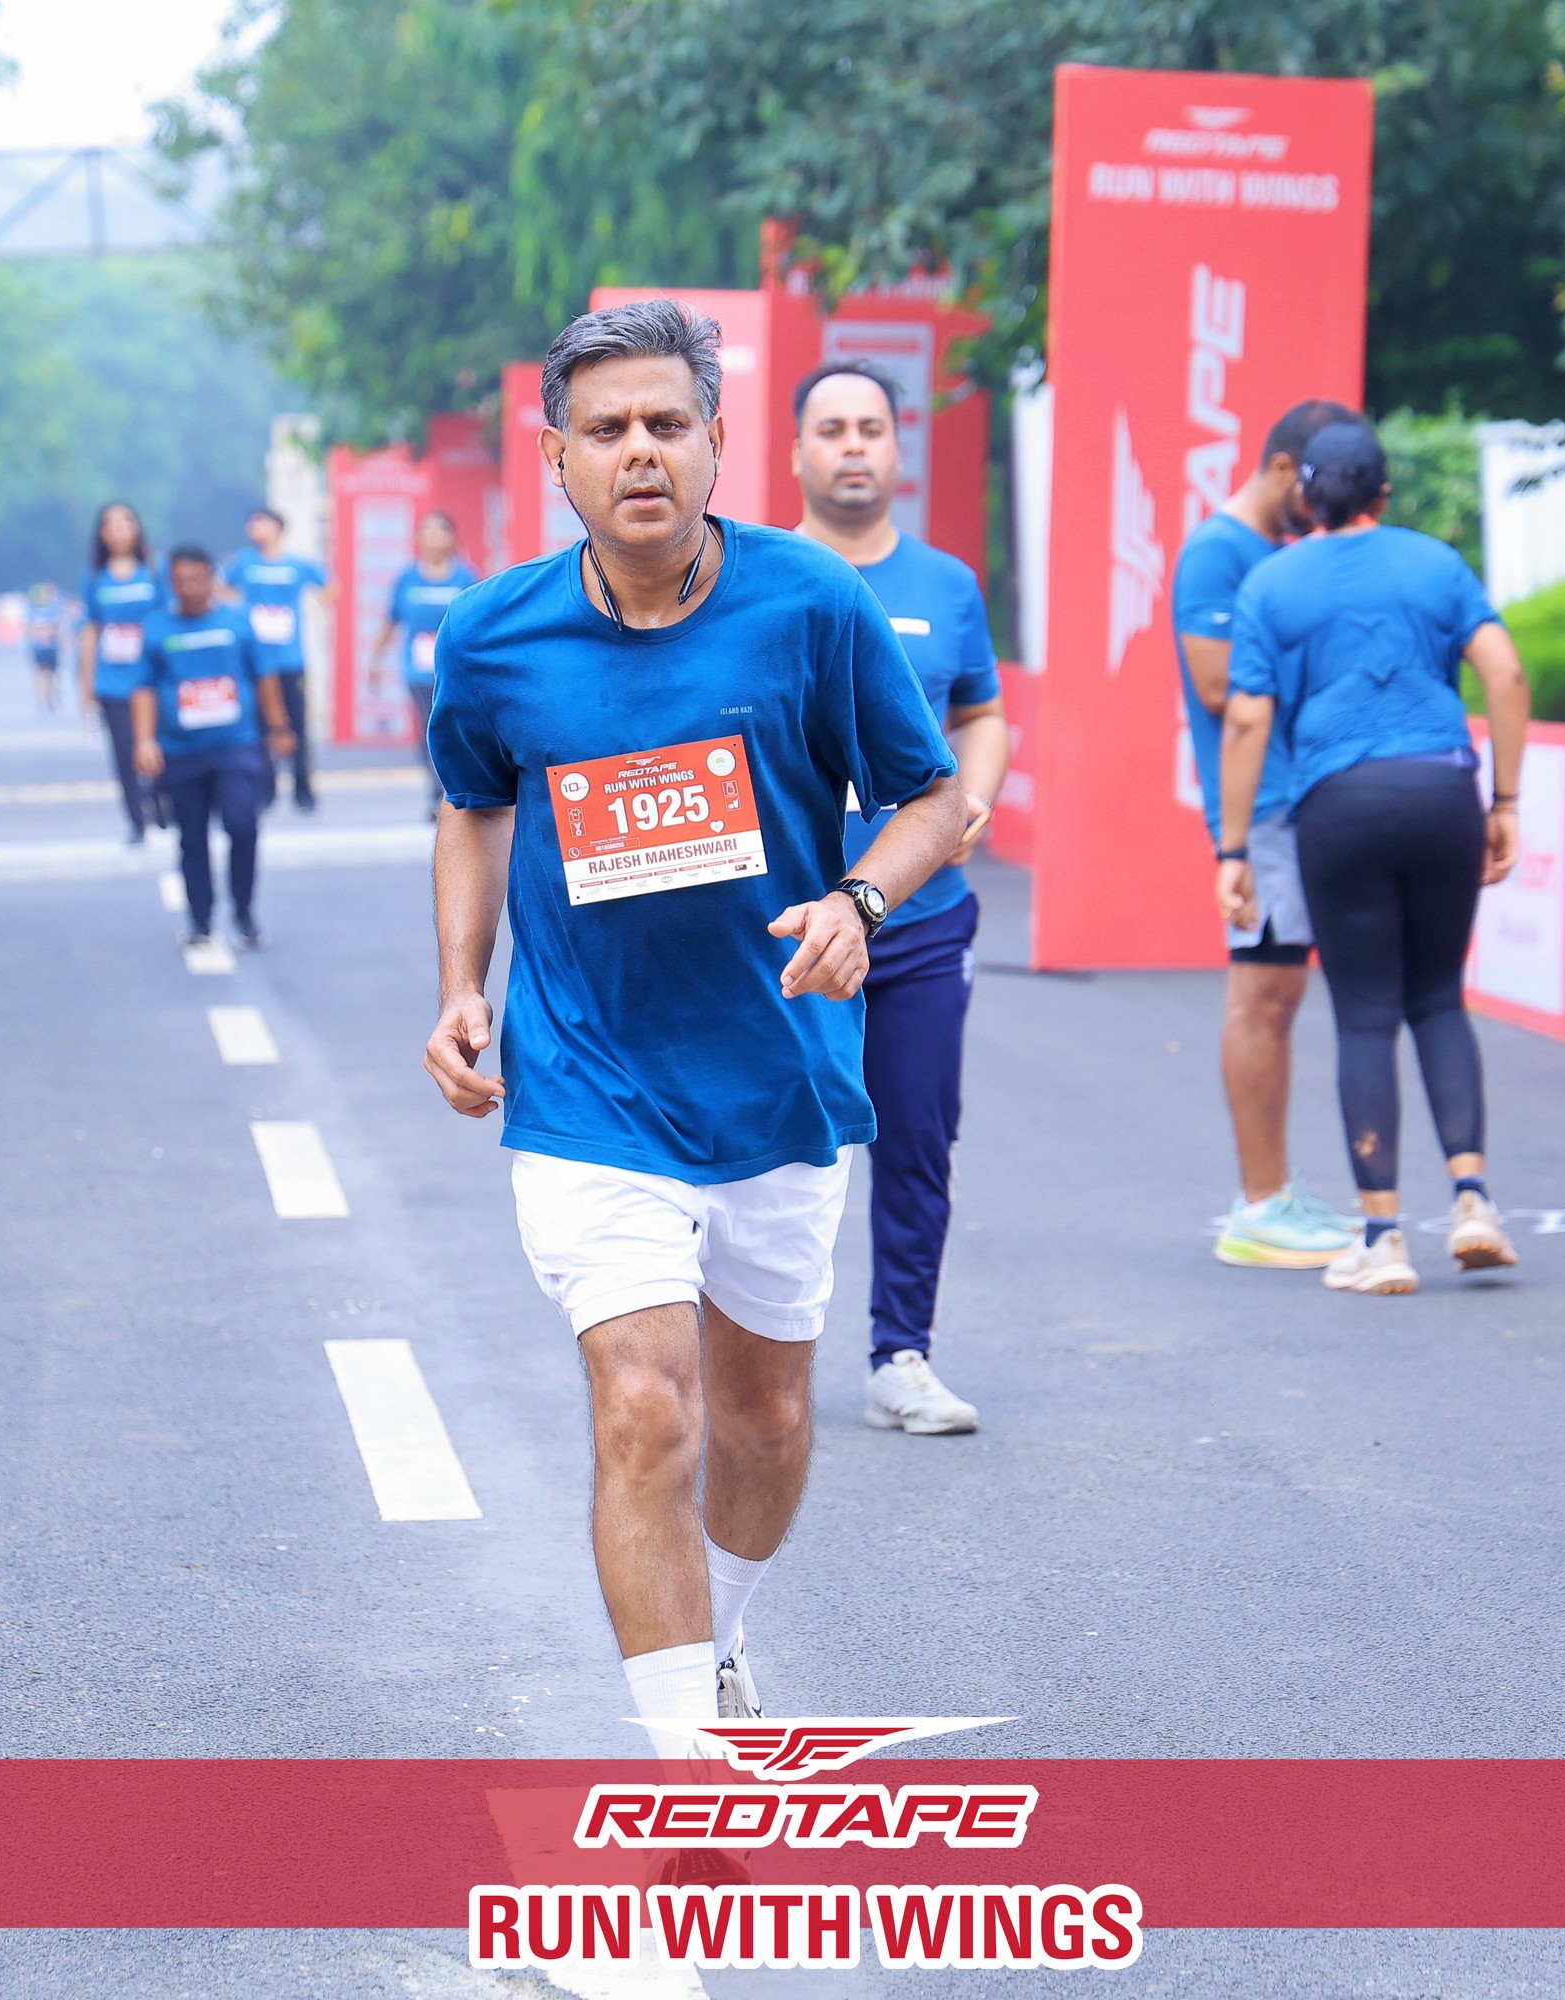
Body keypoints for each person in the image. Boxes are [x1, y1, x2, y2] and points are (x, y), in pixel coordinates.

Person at [423, 300, 966, 1733]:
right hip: (589, 1085)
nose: (641, 451)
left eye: (668, 422)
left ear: (719, 440)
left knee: (764, 1423)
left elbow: (933, 796)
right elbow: (472, 806)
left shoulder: (811, 604)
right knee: (645, 1403)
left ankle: (717, 1635)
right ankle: (685, 1766)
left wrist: (858, 902)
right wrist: (462, 987)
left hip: (777, 1079)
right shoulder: (492, 637)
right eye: (606, 429)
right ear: (558, 457)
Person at [1214, 417, 1530, 1296]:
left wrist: (1233, 848)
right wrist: (1505, 800)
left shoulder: (1272, 582)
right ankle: (1473, 1201)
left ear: (1306, 498)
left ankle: (1385, 1239)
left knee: (1364, 1016)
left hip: (1338, 805)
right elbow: (1505, 674)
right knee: (1439, 998)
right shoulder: (1435, 563)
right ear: (1384, 494)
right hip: (1441, 791)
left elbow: (1246, 720)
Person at [787, 359, 1007, 1437]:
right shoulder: (757, 575)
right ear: (796, 451)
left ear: (897, 448)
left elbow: (980, 713)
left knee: (917, 1139)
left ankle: (900, 1356)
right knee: (772, 1150)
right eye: (832, 429)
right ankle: (748, 1367)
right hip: (784, 927)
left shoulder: (948, 585)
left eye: (870, 428)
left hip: (919, 923)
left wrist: (979, 792)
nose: (853, 447)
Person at [1175, 399, 1364, 1270]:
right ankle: (1259, 1205)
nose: (1326, 506)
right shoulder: (1218, 551)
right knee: (1262, 997)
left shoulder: (1281, 554)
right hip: (1264, 810)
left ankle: (1274, 1190)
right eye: (1316, 486)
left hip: (1300, 801)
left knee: (1281, 998)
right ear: (1284, 469)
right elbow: (1219, 685)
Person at [135, 545, 289, 951]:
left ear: (211, 579)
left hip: (236, 745)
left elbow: (265, 676)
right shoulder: (156, 628)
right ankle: (200, 920)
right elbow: (144, 688)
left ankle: (244, 911)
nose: (189, 588)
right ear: (171, 583)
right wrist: (145, 740)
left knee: (242, 824)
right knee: (192, 837)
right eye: (180, 581)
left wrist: (279, 727)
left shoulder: (237, 622)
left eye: (197, 580)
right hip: (181, 751)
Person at [372, 511, 478, 818]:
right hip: (418, 671)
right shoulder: (407, 578)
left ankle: (456, 787)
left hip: (455, 670)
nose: (432, 537)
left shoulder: (465, 577)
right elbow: (392, 620)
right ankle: (439, 792)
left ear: (452, 537)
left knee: (455, 731)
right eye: (426, 530)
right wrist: (375, 660)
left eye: (439, 530)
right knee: (429, 729)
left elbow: (477, 622)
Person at [225, 507, 328, 811]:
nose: (254, 528)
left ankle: (303, 789)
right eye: (252, 523)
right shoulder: (244, 562)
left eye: (261, 523)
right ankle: (264, 788)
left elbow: (330, 585)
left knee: (297, 725)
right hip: (256, 661)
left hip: (290, 659)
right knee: (259, 727)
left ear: (278, 528)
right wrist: (240, 611)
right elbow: (222, 588)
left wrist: (313, 606)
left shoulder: (297, 564)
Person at [79, 502, 167, 843]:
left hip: (152, 677)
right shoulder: (94, 578)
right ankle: (135, 820)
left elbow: (168, 619)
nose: (118, 531)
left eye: (125, 522)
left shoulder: (155, 571)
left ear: (137, 529)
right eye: (110, 525)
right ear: (102, 534)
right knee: (124, 752)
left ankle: (160, 801)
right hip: (113, 681)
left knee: (160, 744)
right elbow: (91, 630)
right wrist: (86, 684)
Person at [25, 582, 66, 710]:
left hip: (39, 647)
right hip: (50, 647)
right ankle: (48, 696)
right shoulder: (52, 612)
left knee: (40, 673)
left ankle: (41, 697)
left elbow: (28, 630)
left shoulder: (32, 612)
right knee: (50, 674)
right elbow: (58, 629)